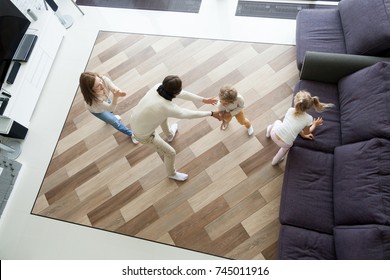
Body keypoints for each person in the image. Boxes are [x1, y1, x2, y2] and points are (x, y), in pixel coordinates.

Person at [130, 75, 220, 181]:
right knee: (170, 153)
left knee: (163, 116)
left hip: (136, 121)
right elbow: (187, 114)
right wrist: (211, 113)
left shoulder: (158, 87)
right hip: (144, 135)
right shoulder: (166, 107)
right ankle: (171, 174)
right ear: (175, 92)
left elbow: (181, 93)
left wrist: (203, 100)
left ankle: (169, 135)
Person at [266, 90, 333, 165]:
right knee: (284, 150)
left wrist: (304, 135)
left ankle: (268, 131)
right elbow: (307, 131)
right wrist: (314, 124)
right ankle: (274, 161)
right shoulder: (308, 119)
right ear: (308, 108)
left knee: (277, 122)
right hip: (285, 143)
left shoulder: (290, 110)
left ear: (296, 103)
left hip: (274, 134)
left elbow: (293, 126)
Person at [79, 72, 138, 144]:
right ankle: (131, 134)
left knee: (110, 114)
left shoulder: (103, 79)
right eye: (97, 86)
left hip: (105, 101)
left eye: (100, 80)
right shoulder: (94, 100)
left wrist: (118, 91)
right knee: (115, 122)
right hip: (98, 111)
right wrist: (115, 96)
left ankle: (108, 119)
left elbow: (113, 88)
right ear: (91, 90)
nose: (102, 84)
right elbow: (111, 108)